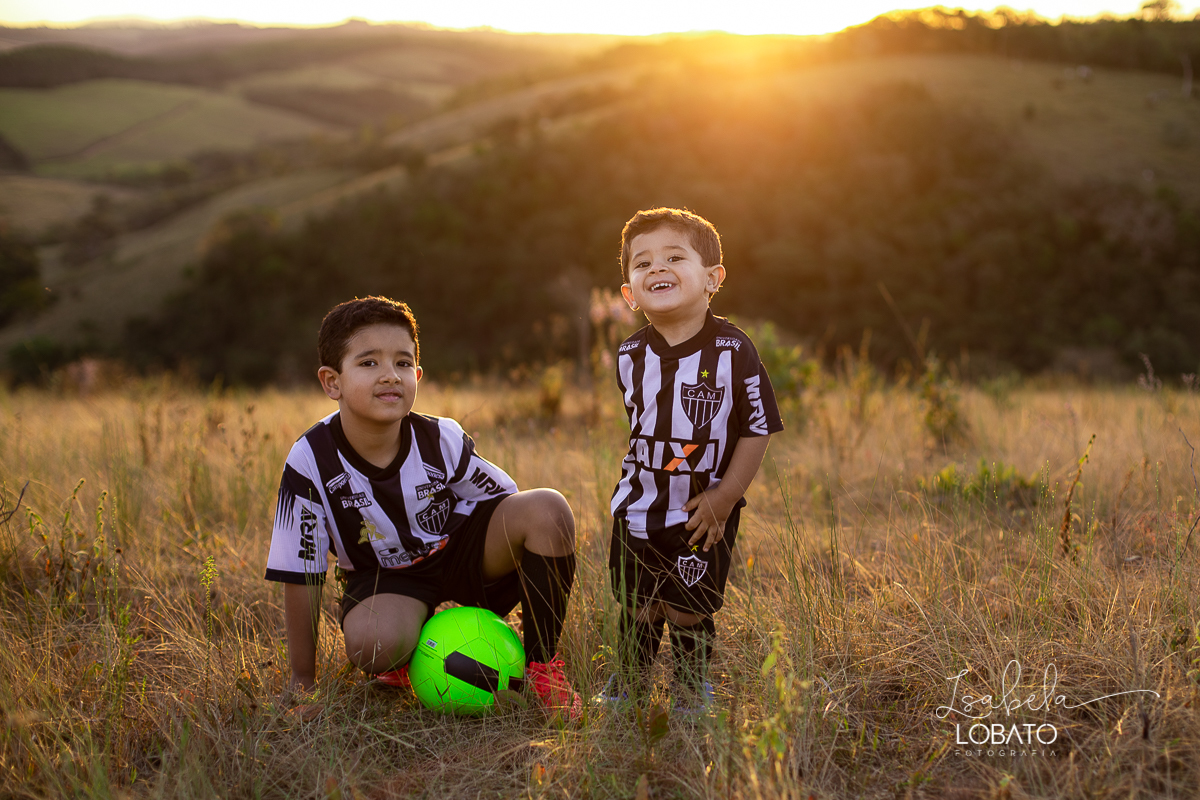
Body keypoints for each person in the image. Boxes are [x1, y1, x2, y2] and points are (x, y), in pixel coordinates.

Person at [265, 296, 581, 717]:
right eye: (369, 363)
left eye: (401, 363)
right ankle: (409, 654)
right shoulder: (309, 460)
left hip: (460, 556)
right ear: (331, 382)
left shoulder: (440, 438)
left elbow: (505, 502)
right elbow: (300, 573)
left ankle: (541, 668)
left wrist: (505, 579)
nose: (389, 376)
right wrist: (303, 682)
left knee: (548, 509)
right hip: (387, 577)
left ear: (417, 374)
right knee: (373, 644)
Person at [601, 208, 784, 712]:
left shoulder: (733, 350)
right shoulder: (629, 355)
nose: (656, 269)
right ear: (628, 293)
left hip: (703, 513)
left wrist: (725, 498)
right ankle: (630, 684)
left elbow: (758, 427)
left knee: (686, 607)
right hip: (638, 507)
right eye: (642, 264)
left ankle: (688, 689)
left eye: (674, 257)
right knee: (638, 605)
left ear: (712, 279)